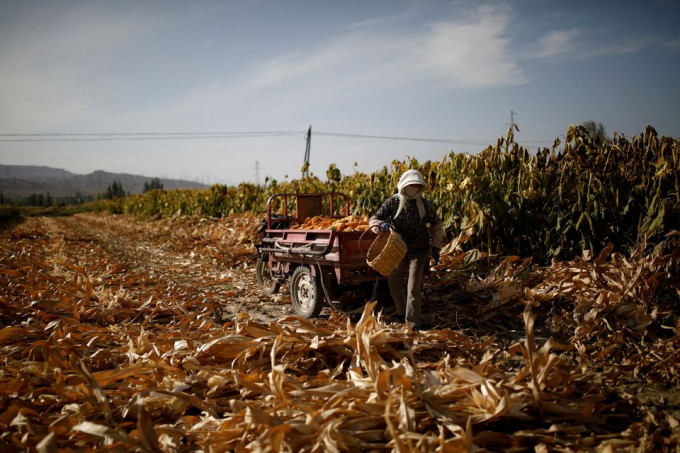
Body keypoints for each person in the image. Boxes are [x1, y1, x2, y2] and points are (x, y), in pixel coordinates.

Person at [369, 169, 444, 331]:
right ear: (403, 185)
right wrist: (381, 225)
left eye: (417, 185)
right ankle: (402, 312)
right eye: (411, 185)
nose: (413, 188)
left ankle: (413, 323)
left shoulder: (424, 204)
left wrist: (436, 246)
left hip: (419, 249)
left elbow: (437, 225)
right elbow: (374, 218)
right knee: (394, 286)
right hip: (397, 248)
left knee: (413, 288)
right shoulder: (393, 202)